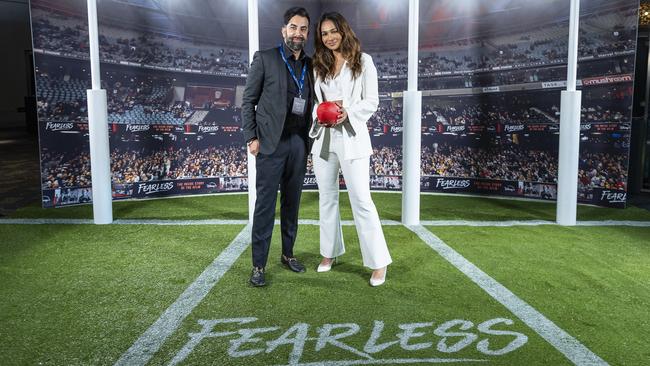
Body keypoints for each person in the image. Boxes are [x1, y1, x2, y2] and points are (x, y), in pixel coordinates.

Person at [310, 12, 392, 286]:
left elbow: (372, 101)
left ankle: (378, 262)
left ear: (343, 31)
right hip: (324, 139)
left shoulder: (363, 61)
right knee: (327, 198)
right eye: (324, 34)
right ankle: (329, 253)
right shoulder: (318, 65)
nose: (329, 37)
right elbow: (315, 101)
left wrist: (347, 112)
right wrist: (321, 112)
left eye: (333, 31)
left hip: (352, 137)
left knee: (361, 200)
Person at [241, 7, 314, 287]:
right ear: (284, 30)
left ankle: (288, 254)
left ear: (307, 33)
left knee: (292, 203)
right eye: (293, 27)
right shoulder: (265, 58)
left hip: (298, 143)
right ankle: (258, 264)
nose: (298, 33)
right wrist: (251, 137)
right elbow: (248, 101)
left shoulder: (310, 65)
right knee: (265, 206)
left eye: (303, 29)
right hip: (270, 144)